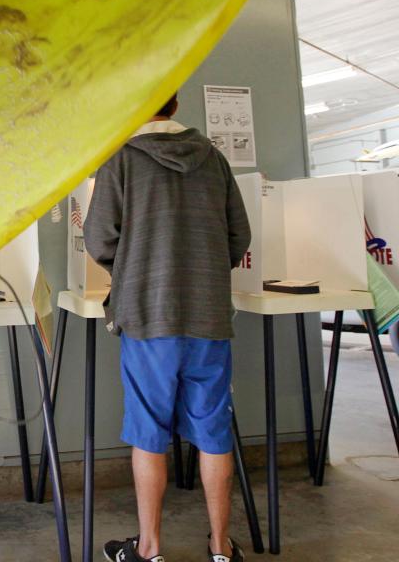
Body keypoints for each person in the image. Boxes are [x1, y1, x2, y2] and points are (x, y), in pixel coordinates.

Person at [84, 92, 251, 562]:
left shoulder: (120, 161)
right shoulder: (214, 158)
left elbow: (99, 239)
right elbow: (239, 234)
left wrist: (134, 265)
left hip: (147, 316)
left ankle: (150, 549)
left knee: (149, 433)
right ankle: (221, 548)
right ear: (176, 106)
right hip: (208, 315)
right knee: (214, 431)